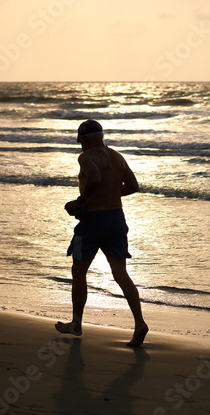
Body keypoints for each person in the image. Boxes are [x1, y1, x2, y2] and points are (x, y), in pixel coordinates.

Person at [55, 120, 148, 347]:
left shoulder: (86, 157)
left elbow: (95, 178)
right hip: (116, 219)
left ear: (84, 139)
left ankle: (76, 324)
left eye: (81, 141)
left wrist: (80, 203)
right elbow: (133, 185)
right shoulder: (117, 156)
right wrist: (108, 193)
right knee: (120, 274)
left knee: (79, 271)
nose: (81, 146)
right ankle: (140, 323)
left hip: (92, 223)